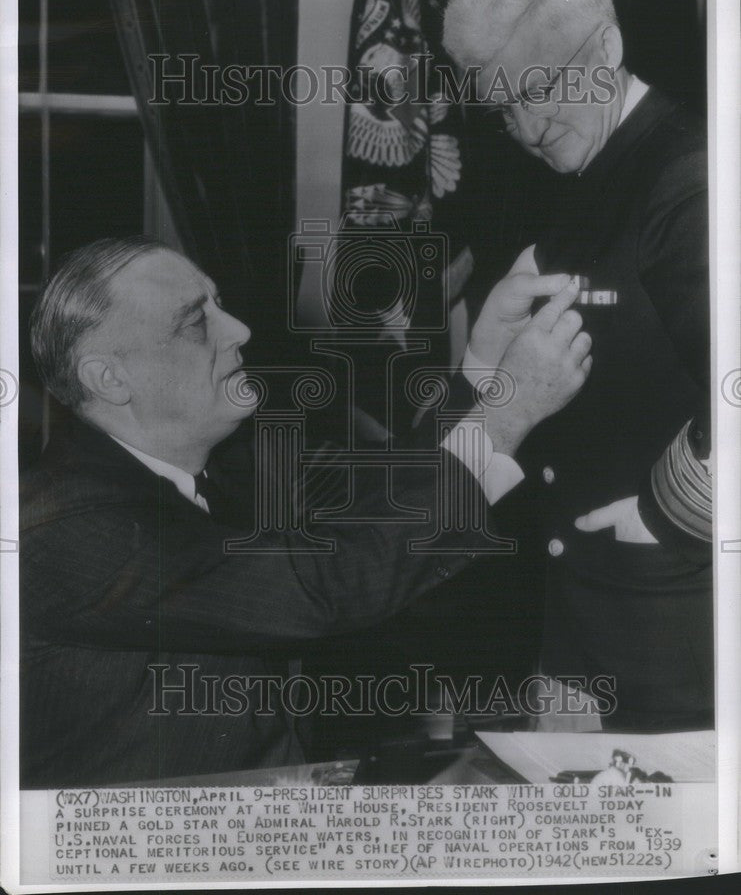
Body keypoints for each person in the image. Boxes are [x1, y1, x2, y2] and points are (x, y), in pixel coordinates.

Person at [21, 236, 591, 787]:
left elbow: (391, 499)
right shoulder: (63, 530)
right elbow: (322, 586)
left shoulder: (230, 465)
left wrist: (486, 361)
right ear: (110, 378)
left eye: (219, 304)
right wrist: (506, 415)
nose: (240, 330)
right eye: (197, 322)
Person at [443, 0, 712, 730]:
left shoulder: (688, 182)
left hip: (684, 636)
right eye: (500, 107)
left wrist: (665, 516)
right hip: (590, 631)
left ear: (609, 46)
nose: (526, 127)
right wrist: (483, 365)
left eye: (543, 88)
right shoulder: (586, 174)